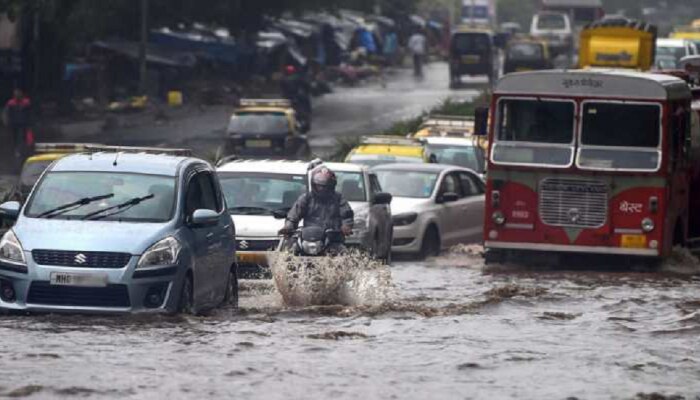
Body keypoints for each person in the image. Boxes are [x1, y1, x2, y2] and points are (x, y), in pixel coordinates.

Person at [279, 167, 354, 238]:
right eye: (318, 186)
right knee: (293, 248)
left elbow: (347, 215)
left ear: (331, 186)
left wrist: (346, 227)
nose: (321, 189)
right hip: (309, 237)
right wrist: (288, 227)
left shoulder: (339, 198)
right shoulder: (306, 198)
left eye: (324, 186)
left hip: (333, 238)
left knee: (340, 250)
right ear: (313, 184)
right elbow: (293, 215)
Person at [3, 88, 33, 159]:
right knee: (15, 137)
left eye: (18, 94)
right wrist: (6, 121)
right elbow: (6, 112)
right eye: (16, 94)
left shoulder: (26, 102)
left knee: (25, 137)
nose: (17, 95)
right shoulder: (11, 103)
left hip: (24, 122)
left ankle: (25, 150)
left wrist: (30, 122)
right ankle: (17, 150)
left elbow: (30, 112)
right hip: (14, 123)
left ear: (21, 94)